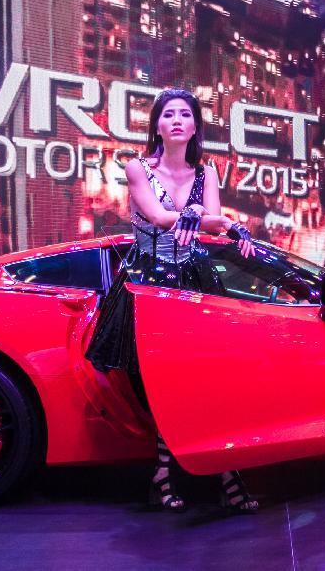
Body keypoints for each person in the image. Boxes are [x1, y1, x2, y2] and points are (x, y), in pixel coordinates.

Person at [86, 88, 258, 514]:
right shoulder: (138, 167)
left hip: (195, 283)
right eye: (168, 114)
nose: (177, 120)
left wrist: (230, 224)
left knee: (210, 381)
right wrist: (200, 214)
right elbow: (162, 217)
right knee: (165, 382)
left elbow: (214, 225)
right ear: (158, 126)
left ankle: (211, 469)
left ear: (195, 126)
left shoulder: (207, 172)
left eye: (185, 114)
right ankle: (182, 471)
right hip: (150, 284)